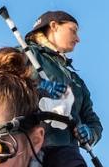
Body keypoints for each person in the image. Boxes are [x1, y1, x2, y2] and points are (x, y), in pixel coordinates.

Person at [24, 10, 104, 149]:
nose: (78, 39)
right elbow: (2, 85)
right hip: (27, 145)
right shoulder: (27, 55)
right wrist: (38, 87)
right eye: (73, 30)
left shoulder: (76, 81)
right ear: (54, 26)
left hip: (66, 154)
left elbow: (93, 121)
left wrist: (91, 133)